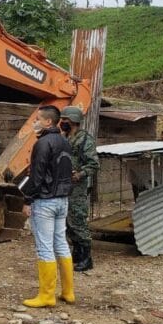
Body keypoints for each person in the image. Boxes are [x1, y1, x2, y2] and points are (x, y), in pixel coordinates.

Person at [21, 105, 74, 307]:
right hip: (63, 200)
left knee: (44, 247)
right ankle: (68, 292)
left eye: (38, 118)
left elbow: (37, 176)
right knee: (61, 243)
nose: (35, 122)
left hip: (45, 201)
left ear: (48, 122)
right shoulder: (64, 142)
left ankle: (46, 296)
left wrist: (27, 200)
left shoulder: (43, 143)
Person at [59, 106, 100, 272]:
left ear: (73, 121)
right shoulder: (65, 137)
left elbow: (94, 164)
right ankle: (76, 252)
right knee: (68, 222)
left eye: (65, 120)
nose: (62, 123)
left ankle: (86, 258)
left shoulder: (84, 140)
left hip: (77, 188)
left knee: (78, 221)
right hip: (64, 187)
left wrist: (80, 174)